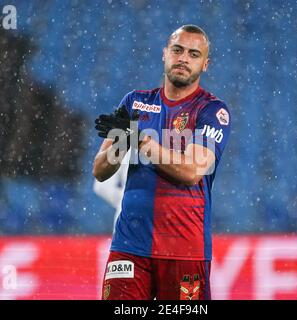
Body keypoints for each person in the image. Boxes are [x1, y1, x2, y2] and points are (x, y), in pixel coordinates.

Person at [93, 25, 231, 300]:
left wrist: (142, 141)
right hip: (130, 245)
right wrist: (122, 142)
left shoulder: (212, 111)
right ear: (165, 54)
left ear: (205, 64)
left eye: (193, 54)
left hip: (184, 250)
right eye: (178, 50)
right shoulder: (135, 102)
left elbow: (191, 171)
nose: (183, 58)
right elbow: (100, 170)